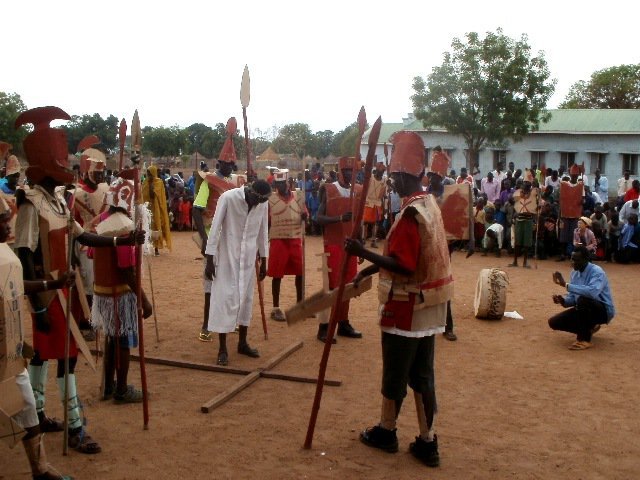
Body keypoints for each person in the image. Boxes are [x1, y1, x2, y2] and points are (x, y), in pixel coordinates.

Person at [13, 106, 145, 454]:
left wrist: (121, 240)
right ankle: (72, 427)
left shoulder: (55, 202)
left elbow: (83, 237)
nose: (68, 171)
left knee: (48, 356)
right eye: (60, 165)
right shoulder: (31, 204)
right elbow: (25, 255)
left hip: (68, 291)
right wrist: (39, 306)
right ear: (43, 168)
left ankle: (39, 413)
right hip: (48, 294)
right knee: (62, 356)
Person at [345, 130, 453, 468]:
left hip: (405, 306)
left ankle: (387, 431)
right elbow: (409, 256)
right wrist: (369, 270)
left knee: (395, 373)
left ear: (410, 176)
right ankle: (427, 441)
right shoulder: (428, 205)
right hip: (429, 307)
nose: (394, 183)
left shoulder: (409, 214)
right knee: (422, 375)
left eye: (398, 178)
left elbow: (404, 264)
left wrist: (364, 253)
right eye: (394, 178)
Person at [0, 197, 74, 480]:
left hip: (10, 352)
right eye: (4, 220)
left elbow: (18, 284)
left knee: (27, 406)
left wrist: (52, 284)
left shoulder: (5, 256)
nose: (9, 224)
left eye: (9, 218)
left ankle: (40, 468)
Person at [90, 176, 152, 402]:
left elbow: (90, 253)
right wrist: (143, 299)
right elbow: (126, 269)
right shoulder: (124, 226)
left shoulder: (101, 220)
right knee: (123, 340)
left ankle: (108, 385)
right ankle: (122, 390)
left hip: (102, 291)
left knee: (111, 338)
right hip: (119, 292)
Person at [204, 180, 271, 366]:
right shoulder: (228, 198)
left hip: (249, 260)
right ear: (249, 192)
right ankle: (222, 348)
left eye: (261, 202)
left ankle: (242, 342)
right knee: (224, 299)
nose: (257, 205)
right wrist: (209, 259)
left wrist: (264, 260)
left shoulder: (262, 203)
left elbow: (263, 232)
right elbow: (215, 228)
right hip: (227, 257)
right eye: (255, 200)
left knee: (246, 300)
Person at [192, 118, 246, 342]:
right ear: (219, 163)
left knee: (231, 280)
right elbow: (197, 209)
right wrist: (205, 239)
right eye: (225, 164)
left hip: (231, 238)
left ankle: (229, 320)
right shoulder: (209, 182)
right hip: (212, 235)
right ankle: (207, 324)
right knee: (210, 280)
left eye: (231, 164)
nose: (229, 167)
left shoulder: (238, 183)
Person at [315, 156, 363, 343]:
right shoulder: (329, 189)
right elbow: (318, 218)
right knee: (331, 287)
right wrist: (339, 218)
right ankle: (324, 327)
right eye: (348, 171)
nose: (351, 175)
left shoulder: (357, 191)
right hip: (333, 244)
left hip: (350, 245)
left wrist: (360, 244)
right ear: (341, 171)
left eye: (354, 171)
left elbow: (357, 221)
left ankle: (343, 323)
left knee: (348, 286)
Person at [549, 245, 615, 350]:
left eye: (576, 260)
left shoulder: (597, 272)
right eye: (572, 259)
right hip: (584, 307)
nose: (573, 262)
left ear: (586, 260)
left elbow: (592, 292)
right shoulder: (574, 273)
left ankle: (584, 339)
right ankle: (589, 328)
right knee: (553, 322)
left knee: (583, 300)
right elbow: (573, 298)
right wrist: (563, 300)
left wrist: (565, 285)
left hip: (603, 311)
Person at [267, 169, 307, 321]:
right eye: (277, 183)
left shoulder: (298, 197)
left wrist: (305, 217)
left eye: (282, 183)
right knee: (277, 274)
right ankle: (275, 308)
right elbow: (266, 222)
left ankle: (300, 304)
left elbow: (306, 217)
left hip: (295, 239)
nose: (280, 186)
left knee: (300, 272)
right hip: (278, 240)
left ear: (288, 183)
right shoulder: (270, 199)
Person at [508, 172, 538, 268]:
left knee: (526, 243)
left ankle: (525, 262)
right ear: (522, 185)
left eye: (528, 184)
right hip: (519, 219)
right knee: (517, 242)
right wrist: (513, 216)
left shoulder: (534, 195)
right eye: (525, 183)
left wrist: (535, 220)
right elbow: (513, 204)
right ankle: (515, 261)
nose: (527, 185)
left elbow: (536, 207)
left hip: (528, 220)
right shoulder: (517, 194)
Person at [142, 164, 171, 256]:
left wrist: (151, 184)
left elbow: (154, 195)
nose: (148, 176)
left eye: (150, 174)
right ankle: (146, 247)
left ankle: (156, 248)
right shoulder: (145, 182)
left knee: (156, 227)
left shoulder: (159, 182)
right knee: (147, 227)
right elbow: (143, 195)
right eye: (147, 174)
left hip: (157, 209)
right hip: (147, 209)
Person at [557, 163, 584, 261]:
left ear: (577, 176)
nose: (574, 176)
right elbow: (561, 200)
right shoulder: (564, 185)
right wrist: (560, 214)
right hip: (565, 214)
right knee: (563, 236)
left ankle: (573, 255)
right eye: (573, 175)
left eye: (576, 175)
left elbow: (583, 199)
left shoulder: (581, 186)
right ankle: (562, 254)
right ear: (570, 175)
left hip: (575, 214)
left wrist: (582, 201)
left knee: (575, 236)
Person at [362, 162, 386, 248]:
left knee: (376, 223)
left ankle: (373, 241)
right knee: (365, 222)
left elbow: (383, 195)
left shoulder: (384, 180)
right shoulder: (370, 178)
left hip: (377, 203)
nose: (382, 173)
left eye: (383, 172)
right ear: (376, 171)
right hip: (368, 202)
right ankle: (363, 239)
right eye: (380, 172)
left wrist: (383, 206)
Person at [0, 151, 21, 245]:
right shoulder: (1, 193)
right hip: (5, 240)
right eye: (13, 176)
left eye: (17, 176)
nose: (16, 179)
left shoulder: (22, 192)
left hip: (19, 238)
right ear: (7, 177)